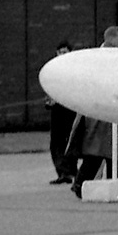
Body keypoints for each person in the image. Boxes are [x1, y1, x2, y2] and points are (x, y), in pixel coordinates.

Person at [69, 26, 118, 197]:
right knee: (95, 152)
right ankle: (80, 185)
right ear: (111, 40)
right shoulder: (96, 58)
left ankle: (117, 185)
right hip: (98, 112)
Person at [45, 41, 77, 184]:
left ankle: (71, 170)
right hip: (57, 110)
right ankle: (62, 172)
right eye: (60, 52)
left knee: (69, 140)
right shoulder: (52, 69)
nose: (62, 55)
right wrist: (49, 101)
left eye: (65, 52)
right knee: (56, 141)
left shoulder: (74, 70)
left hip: (70, 109)